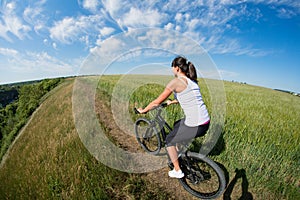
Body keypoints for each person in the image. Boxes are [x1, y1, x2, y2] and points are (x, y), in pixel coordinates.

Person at [137, 56, 210, 178]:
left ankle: (177, 170)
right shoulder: (192, 81)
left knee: (169, 141)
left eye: (172, 67)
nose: (171, 69)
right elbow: (189, 97)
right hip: (205, 122)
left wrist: (143, 111)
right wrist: (172, 102)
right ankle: (179, 152)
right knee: (177, 124)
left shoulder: (176, 82)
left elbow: (156, 102)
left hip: (195, 124)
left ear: (176, 68)